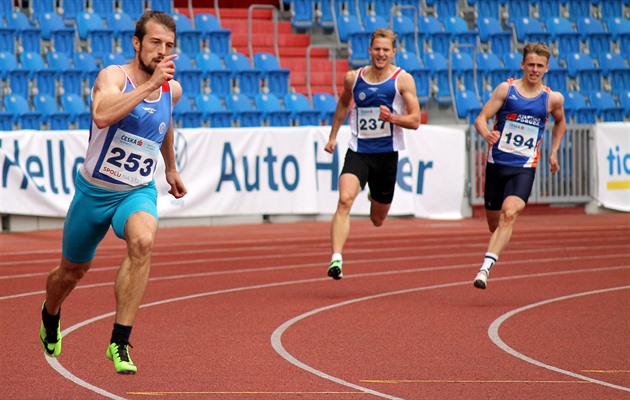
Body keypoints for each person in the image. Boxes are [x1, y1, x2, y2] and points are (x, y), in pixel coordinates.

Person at [39, 11, 187, 374]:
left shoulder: (172, 89)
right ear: (137, 43)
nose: (161, 51)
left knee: (143, 241)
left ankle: (119, 341)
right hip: (94, 192)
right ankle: (50, 313)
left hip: (135, 191)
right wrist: (149, 86)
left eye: (168, 46)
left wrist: (169, 167)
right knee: (71, 272)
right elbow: (103, 116)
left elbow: (163, 123)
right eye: (155, 43)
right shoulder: (112, 77)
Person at [324, 28, 422, 280]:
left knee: (377, 219)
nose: (380, 54)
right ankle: (336, 258)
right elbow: (344, 104)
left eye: (385, 50)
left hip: (387, 155)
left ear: (393, 53)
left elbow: (415, 120)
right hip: (359, 151)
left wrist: (393, 118)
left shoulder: (402, 80)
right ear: (369, 50)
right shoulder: (353, 78)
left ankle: (372, 192)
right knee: (344, 199)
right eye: (376, 49)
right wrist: (333, 136)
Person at [472, 42, 566, 289]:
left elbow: (560, 124)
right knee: (494, 222)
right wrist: (486, 135)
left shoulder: (552, 99)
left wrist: (554, 152)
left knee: (509, 213)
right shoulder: (506, 90)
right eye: (531, 64)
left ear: (546, 68)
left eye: (540, 66)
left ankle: (485, 269)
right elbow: (480, 119)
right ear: (523, 65)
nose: (534, 69)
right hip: (496, 165)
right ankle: (496, 243)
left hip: (523, 168)